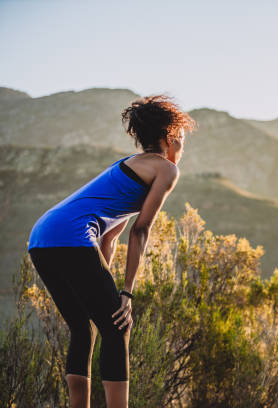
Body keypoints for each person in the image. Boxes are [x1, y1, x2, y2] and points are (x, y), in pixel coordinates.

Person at [26, 94, 196, 408]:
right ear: (169, 139)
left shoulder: (128, 167)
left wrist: (100, 280)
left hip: (42, 237)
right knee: (118, 327)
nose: (182, 149)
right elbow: (140, 230)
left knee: (83, 326)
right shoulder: (165, 171)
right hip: (72, 237)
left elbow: (110, 235)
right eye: (182, 141)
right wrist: (126, 294)